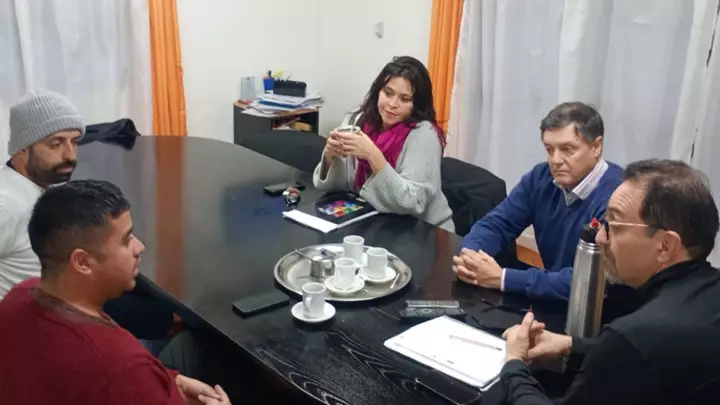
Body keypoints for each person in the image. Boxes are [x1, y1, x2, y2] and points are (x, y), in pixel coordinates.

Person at [502, 159, 720, 404]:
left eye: (614, 225)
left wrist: (514, 366)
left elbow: (634, 352)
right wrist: (572, 346)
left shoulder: (633, 337)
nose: (600, 237)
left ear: (665, 246)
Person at [0, 180, 231, 405]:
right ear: (83, 262)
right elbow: (122, 376)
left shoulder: (19, 295)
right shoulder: (119, 367)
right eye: (126, 239)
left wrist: (172, 382)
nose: (139, 247)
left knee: (188, 345)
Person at [0, 90, 172, 340]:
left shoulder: (46, 183)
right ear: (23, 148)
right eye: (56, 144)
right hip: (47, 328)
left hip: (73, 295)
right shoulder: (7, 205)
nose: (70, 155)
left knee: (160, 300)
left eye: (75, 142)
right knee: (171, 319)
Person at [454, 102, 623, 300]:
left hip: (602, 308)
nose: (555, 160)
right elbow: (497, 223)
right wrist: (471, 255)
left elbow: (591, 281)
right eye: (549, 149)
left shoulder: (618, 197)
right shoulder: (541, 177)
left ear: (596, 147)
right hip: (551, 297)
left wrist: (504, 278)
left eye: (567, 149)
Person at [313, 56, 454, 232]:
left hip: (423, 231)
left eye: (404, 99)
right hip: (375, 223)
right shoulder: (357, 119)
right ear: (378, 90)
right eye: (388, 93)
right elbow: (341, 187)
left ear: (416, 104)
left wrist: (372, 155)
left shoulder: (424, 134)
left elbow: (414, 203)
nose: (392, 104)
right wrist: (329, 157)